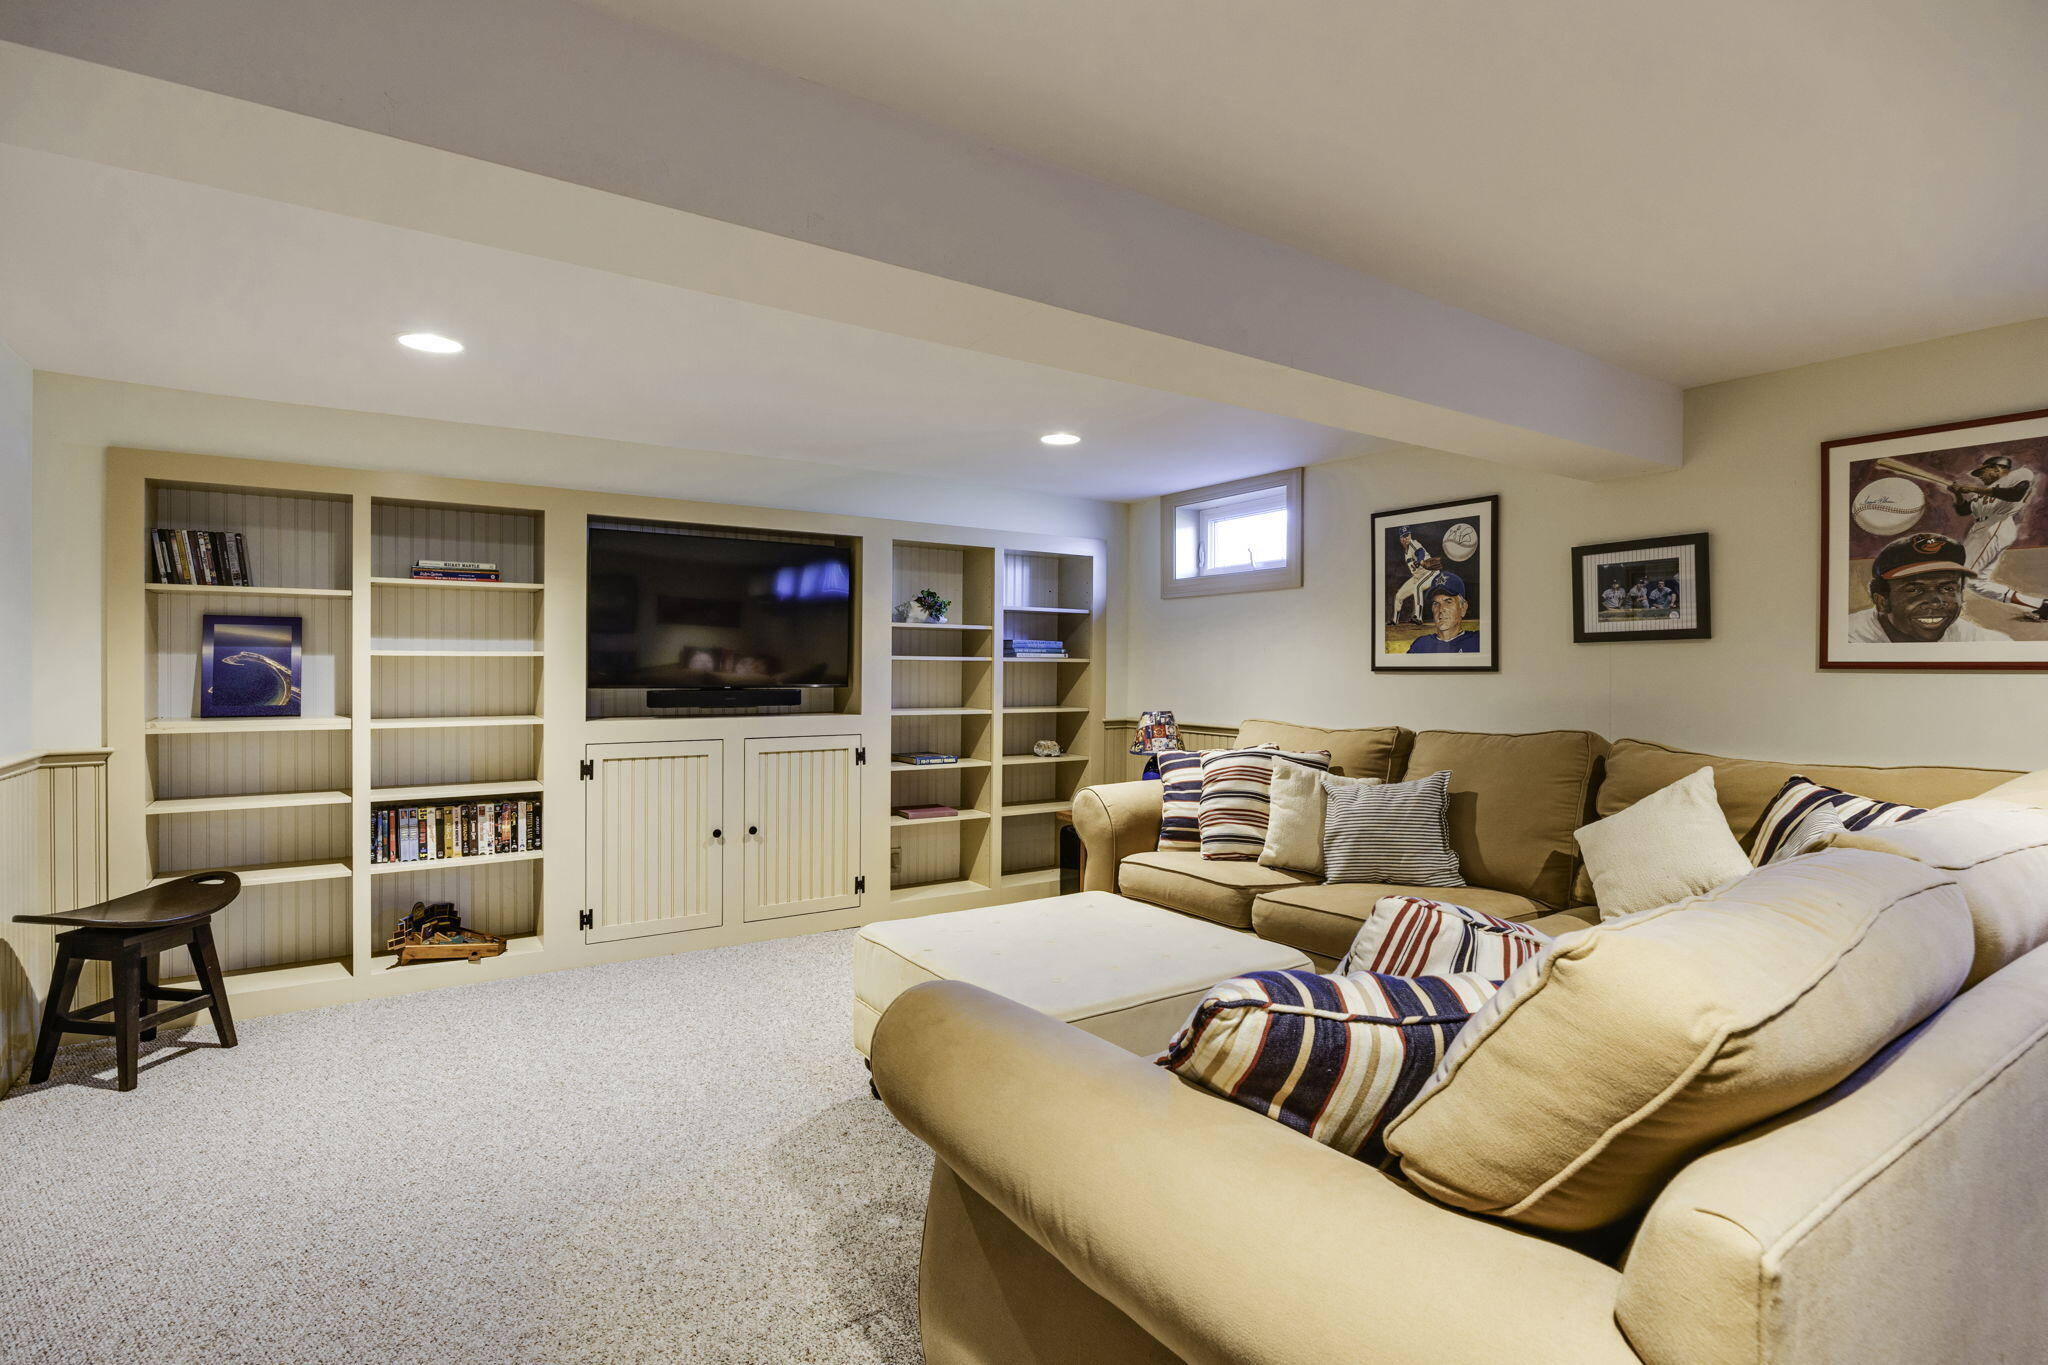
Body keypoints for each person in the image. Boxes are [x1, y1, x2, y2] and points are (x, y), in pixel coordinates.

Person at [1843, 533, 2007, 644]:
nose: (1936, 602)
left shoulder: (1982, 642)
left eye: (1947, 588)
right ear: (1882, 602)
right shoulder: (1846, 638)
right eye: (1914, 590)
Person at [1951, 450, 2048, 620]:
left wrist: (1973, 488)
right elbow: (1963, 510)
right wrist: (1957, 493)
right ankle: (2041, 606)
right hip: (1982, 529)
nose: (1981, 476)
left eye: (1983, 472)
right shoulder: (1982, 492)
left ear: (1997, 468)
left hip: (1995, 525)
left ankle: (1950, 611)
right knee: (1977, 583)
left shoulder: (2019, 474)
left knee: (1964, 573)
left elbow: (2015, 494)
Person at [1406, 572, 1479, 654]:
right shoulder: (1420, 646)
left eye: (1448, 602)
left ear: (1463, 608)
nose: (1440, 609)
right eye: (1436, 603)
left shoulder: (1478, 641)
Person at [1389, 527, 1442, 625]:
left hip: (1430, 573)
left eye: (1407, 535)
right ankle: (1395, 620)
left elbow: (1420, 552)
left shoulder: (1413, 544)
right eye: (1403, 536)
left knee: (1417, 587)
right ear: (1400, 539)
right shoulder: (1406, 551)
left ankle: (1418, 617)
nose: (1406, 538)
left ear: (1410, 535)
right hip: (1418, 576)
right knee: (1399, 596)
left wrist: (1420, 560)